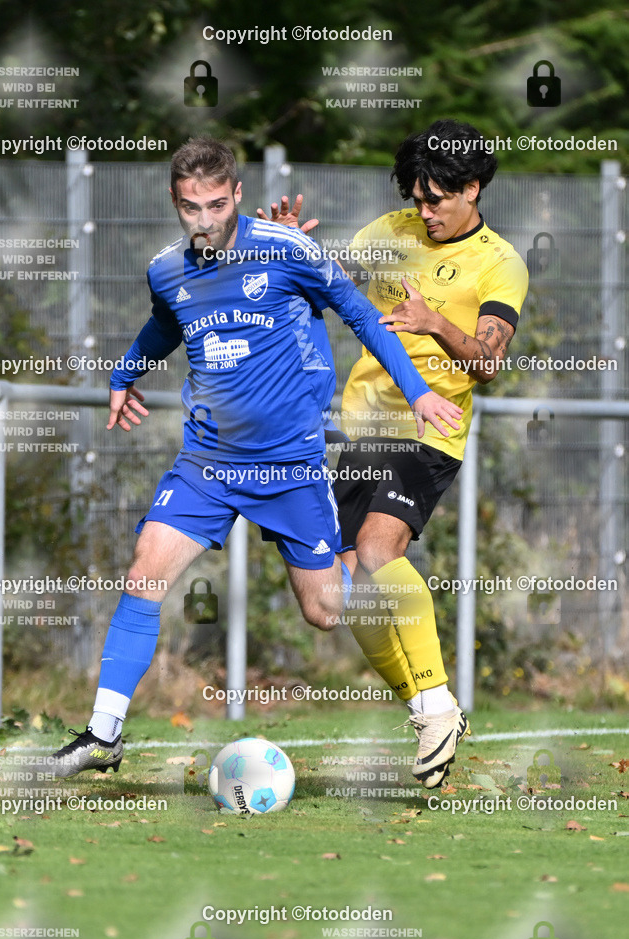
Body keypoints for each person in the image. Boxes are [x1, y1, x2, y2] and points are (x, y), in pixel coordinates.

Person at [44, 136, 462, 778]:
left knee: (324, 613)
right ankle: (104, 735)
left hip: (290, 468)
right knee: (144, 572)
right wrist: (125, 373)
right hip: (207, 463)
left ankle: (431, 691)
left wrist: (421, 393)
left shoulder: (288, 250)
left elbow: (364, 319)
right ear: (175, 204)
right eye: (191, 208)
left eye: (216, 204)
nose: (205, 220)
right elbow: (164, 323)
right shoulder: (167, 269)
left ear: (237, 194)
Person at [260, 119, 528, 789]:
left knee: (381, 553)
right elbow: (334, 293)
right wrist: (296, 249)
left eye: (437, 198)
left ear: (472, 190)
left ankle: (438, 705)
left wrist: (436, 323)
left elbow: (490, 362)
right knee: (344, 596)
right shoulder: (387, 234)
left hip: (428, 429)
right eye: (417, 196)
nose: (424, 209)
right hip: (362, 430)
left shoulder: (499, 261)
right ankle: (425, 710)